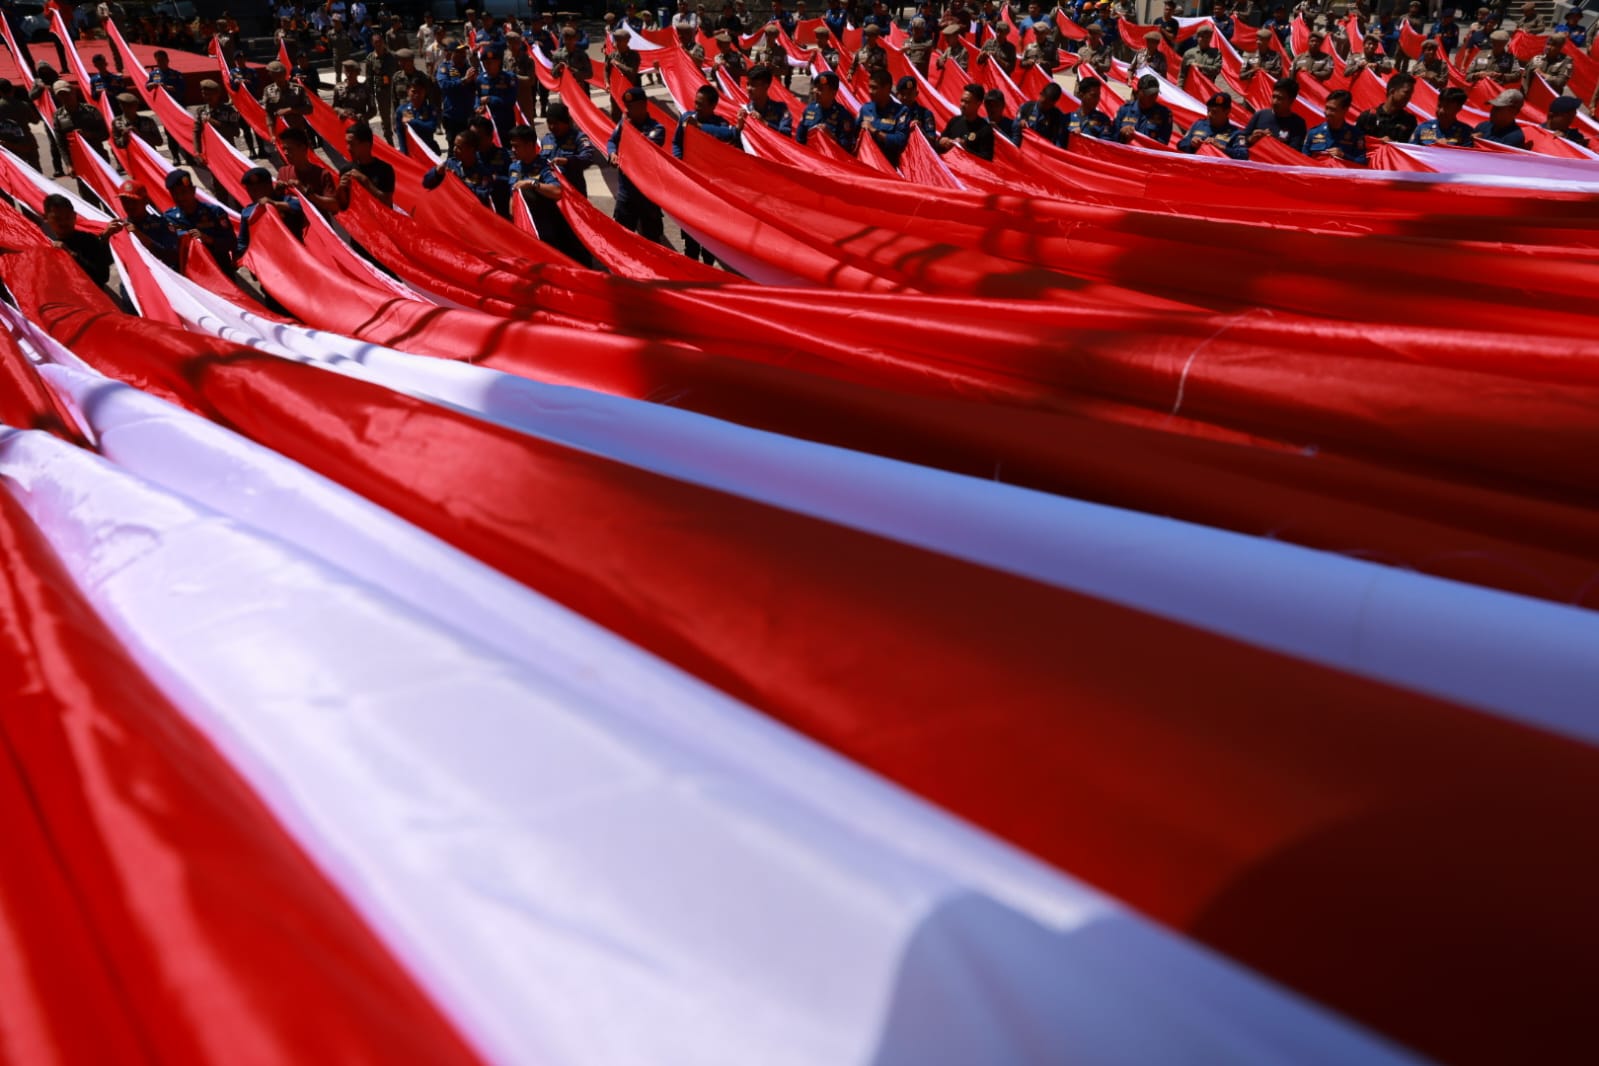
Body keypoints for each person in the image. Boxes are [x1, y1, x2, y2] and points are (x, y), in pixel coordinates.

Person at [673, 84, 739, 264]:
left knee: (710, 238)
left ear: (713, 106)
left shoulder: (720, 124)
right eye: (696, 103)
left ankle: (708, 268)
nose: (696, 107)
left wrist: (700, 127)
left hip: (710, 189)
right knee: (690, 235)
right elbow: (677, 143)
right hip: (690, 187)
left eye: (701, 104)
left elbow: (730, 134)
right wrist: (679, 161)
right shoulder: (686, 118)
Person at [606, 85, 668, 244]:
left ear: (642, 106)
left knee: (652, 241)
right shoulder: (624, 123)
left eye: (630, 107)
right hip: (626, 194)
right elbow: (612, 140)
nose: (626, 110)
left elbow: (641, 148)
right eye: (626, 106)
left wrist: (628, 127)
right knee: (623, 240)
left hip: (647, 196)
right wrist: (612, 153)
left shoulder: (656, 129)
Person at [162, 168, 237, 270]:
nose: (180, 197)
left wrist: (208, 239)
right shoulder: (169, 218)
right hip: (192, 272)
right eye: (175, 193)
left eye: (183, 192)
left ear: (193, 190)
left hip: (219, 269)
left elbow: (231, 242)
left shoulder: (215, 212)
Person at [43, 192, 119, 288]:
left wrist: (71, 255)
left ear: (74, 216)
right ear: (46, 218)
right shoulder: (43, 244)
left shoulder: (88, 240)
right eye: (57, 218)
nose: (63, 222)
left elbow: (102, 277)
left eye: (67, 217)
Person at [422, 128, 506, 209]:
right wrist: (437, 172)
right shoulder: (450, 163)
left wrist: (459, 183)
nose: (454, 149)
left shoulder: (483, 172)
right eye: (454, 145)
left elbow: (482, 198)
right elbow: (426, 183)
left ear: (471, 149)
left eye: (459, 147)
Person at [235, 165, 304, 257]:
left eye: (259, 188)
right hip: (268, 260)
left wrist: (274, 204)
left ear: (269, 185)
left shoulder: (285, 200)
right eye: (251, 189)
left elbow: (298, 207)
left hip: (294, 254)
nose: (255, 192)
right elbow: (243, 242)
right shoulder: (248, 212)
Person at [540, 102, 600, 197]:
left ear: (565, 122)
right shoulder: (546, 140)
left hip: (574, 191)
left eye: (556, 123)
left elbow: (588, 158)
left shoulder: (579, 138)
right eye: (549, 123)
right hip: (553, 192)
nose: (552, 127)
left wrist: (568, 161)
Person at [114, 180, 179, 266]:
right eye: (125, 201)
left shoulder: (162, 223)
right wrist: (104, 237)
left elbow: (172, 257)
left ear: (145, 200)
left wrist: (140, 236)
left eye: (133, 201)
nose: (129, 206)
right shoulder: (120, 228)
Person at [275, 127, 338, 213]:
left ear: (303, 148)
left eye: (289, 149)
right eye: (284, 149)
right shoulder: (283, 172)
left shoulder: (321, 174)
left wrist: (307, 193)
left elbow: (334, 207)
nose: (285, 153)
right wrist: (277, 190)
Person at [855, 67, 909, 162]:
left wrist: (875, 132)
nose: (870, 91)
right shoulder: (866, 109)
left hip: (886, 164)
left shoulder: (901, 112)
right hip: (865, 162)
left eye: (874, 88)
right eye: (870, 87)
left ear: (887, 88)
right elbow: (853, 135)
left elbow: (900, 140)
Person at [338, 122, 396, 208]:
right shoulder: (346, 170)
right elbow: (343, 207)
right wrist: (341, 189)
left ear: (366, 145)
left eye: (352, 144)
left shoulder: (384, 170)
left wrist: (365, 181)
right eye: (347, 143)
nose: (348, 148)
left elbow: (387, 203)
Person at [1243, 75, 1307, 152]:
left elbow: (1294, 153)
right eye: (1273, 97)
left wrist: (1273, 142)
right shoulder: (1260, 115)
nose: (1275, 102)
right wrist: (1250, 139)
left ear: (1291, 101)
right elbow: (1240, 141)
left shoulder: (1298, 123)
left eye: (1280, 98)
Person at [796, 70, 858, 150]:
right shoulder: (809, 109)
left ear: (833, 93)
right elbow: (799, 140)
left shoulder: (844, 117)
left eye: (820, 89)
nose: (815, 91)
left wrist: (830, 137)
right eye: (815, 88)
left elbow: (846, 150)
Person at [52, 81, 109, 162]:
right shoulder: (58, 116)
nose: (65, 97)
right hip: (78, 160)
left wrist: (88, 135)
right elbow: (60, 143)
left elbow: (105, 134)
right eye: (61, 95)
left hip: (98, 156)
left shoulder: (91, 110)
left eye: (67, 93)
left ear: (74, 92)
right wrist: (68, 164)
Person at [1304, 88, 1366, 163]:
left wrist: (1343, 156)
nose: (1327, 113)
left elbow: (1362, 162)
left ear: (1345, 110)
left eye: (1333, 109)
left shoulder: (1356, 135)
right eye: (1327, 108)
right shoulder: (1313, 132)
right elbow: (1303, 160)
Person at [1179, 91, 1248, 157]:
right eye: (1208, 110)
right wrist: (1191, 144)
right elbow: (1181, 144)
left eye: (1214, 112)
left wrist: (1222, 148)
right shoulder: (1198, 125)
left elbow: (1243, 156)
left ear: (1227, 112)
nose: (1209, 115)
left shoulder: (1236, 134)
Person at [936, 82, 995, 160]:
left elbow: (987, 159)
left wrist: (964, 149)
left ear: (978, 104)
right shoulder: (955, 121)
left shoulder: (985, 129)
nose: (962, 105)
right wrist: (941, 142)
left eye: (967, 102)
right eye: (962, 100)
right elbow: (937, 144)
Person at [1355, 71, 1418, 144]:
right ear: (1392, 91)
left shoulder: (1410, 121)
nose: (1409, 97)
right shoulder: (1367, 117)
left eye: (1411, 94)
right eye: (1406, 92)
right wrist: (1377, 142)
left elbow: (1412, 148)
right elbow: (1355, 144)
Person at [191, 78, 244, 160]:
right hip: (211, 152)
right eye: (204, 94)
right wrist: (197, 151)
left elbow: (236, 132)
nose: (206, 97)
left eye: (209, 94)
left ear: (217, 94)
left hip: (228, 149)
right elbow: (196, 132)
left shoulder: (230, 111)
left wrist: (215, 122)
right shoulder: (201, 111)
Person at [436, 39, 479, 142]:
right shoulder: (445, 68)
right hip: (452, 116)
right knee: (453, 145)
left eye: (464, 52)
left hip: (468, 115)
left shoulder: (469, 68)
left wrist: (475, 79)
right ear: (451, 53)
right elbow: (444, 85)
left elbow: (477, 89)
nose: (463, 55)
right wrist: (464, 80)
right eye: (459, 52)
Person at [476, 43, 518, 144]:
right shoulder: (480, 78)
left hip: (504, 123)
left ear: (498, 62)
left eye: (490, 63)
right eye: (485, 63)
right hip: (487, 124)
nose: (487, 66)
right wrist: (477, 106)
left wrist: (490, 99)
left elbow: (510, 101)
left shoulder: (509, 78)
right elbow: (477, 96)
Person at [1114, 74, 1174, 145]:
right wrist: (1122, 133)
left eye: (1155, 94)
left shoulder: (1164, 114)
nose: (1153, 97)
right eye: (1149, 94)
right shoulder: (1125, 110)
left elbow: (1162, 144)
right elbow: (1112, 137)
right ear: (1139, 92)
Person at [261, 61, 313, 135]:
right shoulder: (268, 90)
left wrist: (290, 110)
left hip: (298, 129)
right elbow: (269, 114)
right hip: (280, 131)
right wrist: (272, 134)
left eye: (272, 73)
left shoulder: (298, 89)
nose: (269, 74)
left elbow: (309, 109)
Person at [364, 30, 398, 144]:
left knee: (400, 115)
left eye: (380, 42)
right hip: (381, 92)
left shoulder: (393, 56)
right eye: (375, 42)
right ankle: (390, 141)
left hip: (395, 90)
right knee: (385, 118)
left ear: (383, 42)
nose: (378, 44)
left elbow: (400, 72)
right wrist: (371, 96)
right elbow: (369, 79)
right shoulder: (370, 58)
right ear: (372, 44)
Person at [738, 64, 792, 137]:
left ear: (766, 86)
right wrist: (738, 127)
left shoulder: (781, 109)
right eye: (748, 84)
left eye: (754, 85)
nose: (749, 89)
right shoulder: (744, 111)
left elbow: (786, 135)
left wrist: (764, 123)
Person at [1016, 80, 1068, 148]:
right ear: (1040, 94)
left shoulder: (1057, 116)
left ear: (1054, 103)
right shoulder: (1027, 107)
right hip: (1024, 148)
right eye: (1043, 103)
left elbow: (1059, 142)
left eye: (1048, 104)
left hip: (1043, 151)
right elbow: (1014, 129)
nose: (1044, 106)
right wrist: (1019, 124)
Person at [395, 77, 441, 155]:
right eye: (413, 91)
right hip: (411, 151)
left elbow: (431, 127)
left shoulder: (430, 109)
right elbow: (401, 135)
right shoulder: (402, 110)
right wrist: (404, 154)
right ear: (408, 91)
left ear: (424, 92)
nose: (416, 95)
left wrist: (412, 121)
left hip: (427, 150)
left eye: (420, 91)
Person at [549, 24, 593, 95]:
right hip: (565, 90)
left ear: (575, 39)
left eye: (570, 39)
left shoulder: (581, 55)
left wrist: (574, 71)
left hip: (580, 89)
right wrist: (558, 67)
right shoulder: (558, 55)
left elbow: (589, 74)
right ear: (563, 40)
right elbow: (553, 75)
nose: (568, 42)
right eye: (566, 39)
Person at [333, 58, 375, 123]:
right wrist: (341, 111)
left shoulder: (366, 89)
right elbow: (334, 107)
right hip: (344, 123)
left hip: (360, 124)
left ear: (357, 73)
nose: (348, 75)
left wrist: (362, 116)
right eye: (347, 72)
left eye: (351, 72)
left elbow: (373, 110)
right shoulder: (338, 87)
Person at [896, 75, 936, 141]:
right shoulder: (892, 112)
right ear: (897, 94)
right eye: (902, 94)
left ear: (916, 93)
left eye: (909, 94)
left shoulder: (925, 114)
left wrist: (920, 131)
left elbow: (932, 141)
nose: (905, 97)